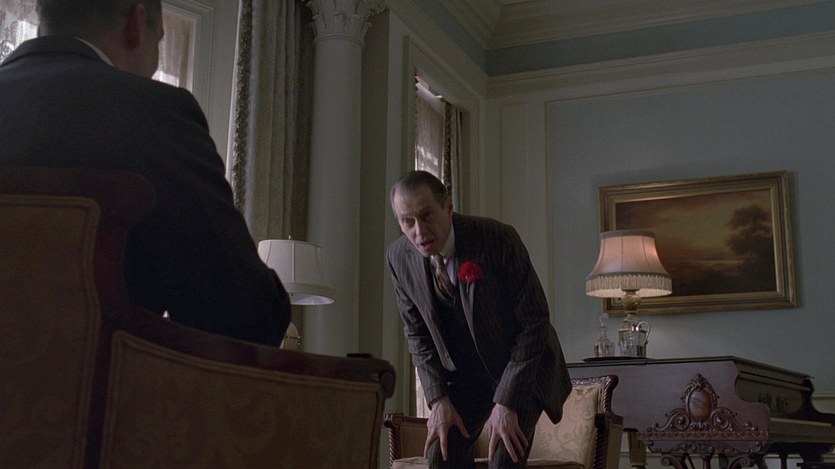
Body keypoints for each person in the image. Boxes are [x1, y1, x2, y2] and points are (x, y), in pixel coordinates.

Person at [0, 0, 291, 345]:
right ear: (136, 24)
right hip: (92, 379)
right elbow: (244, 316)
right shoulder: (155, 112)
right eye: (160, 40)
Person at [387, 170, 572, 468]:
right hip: (468, 376)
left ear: (448, 207)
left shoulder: (498, 239)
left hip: (524, 364)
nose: (419, 231)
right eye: (408, 221)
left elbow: (535, 321)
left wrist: (507, 401)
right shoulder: (398, 258)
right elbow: (417, 336)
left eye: (427, 216)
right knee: (440, 455)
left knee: (505, 455)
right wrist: (438, 400)